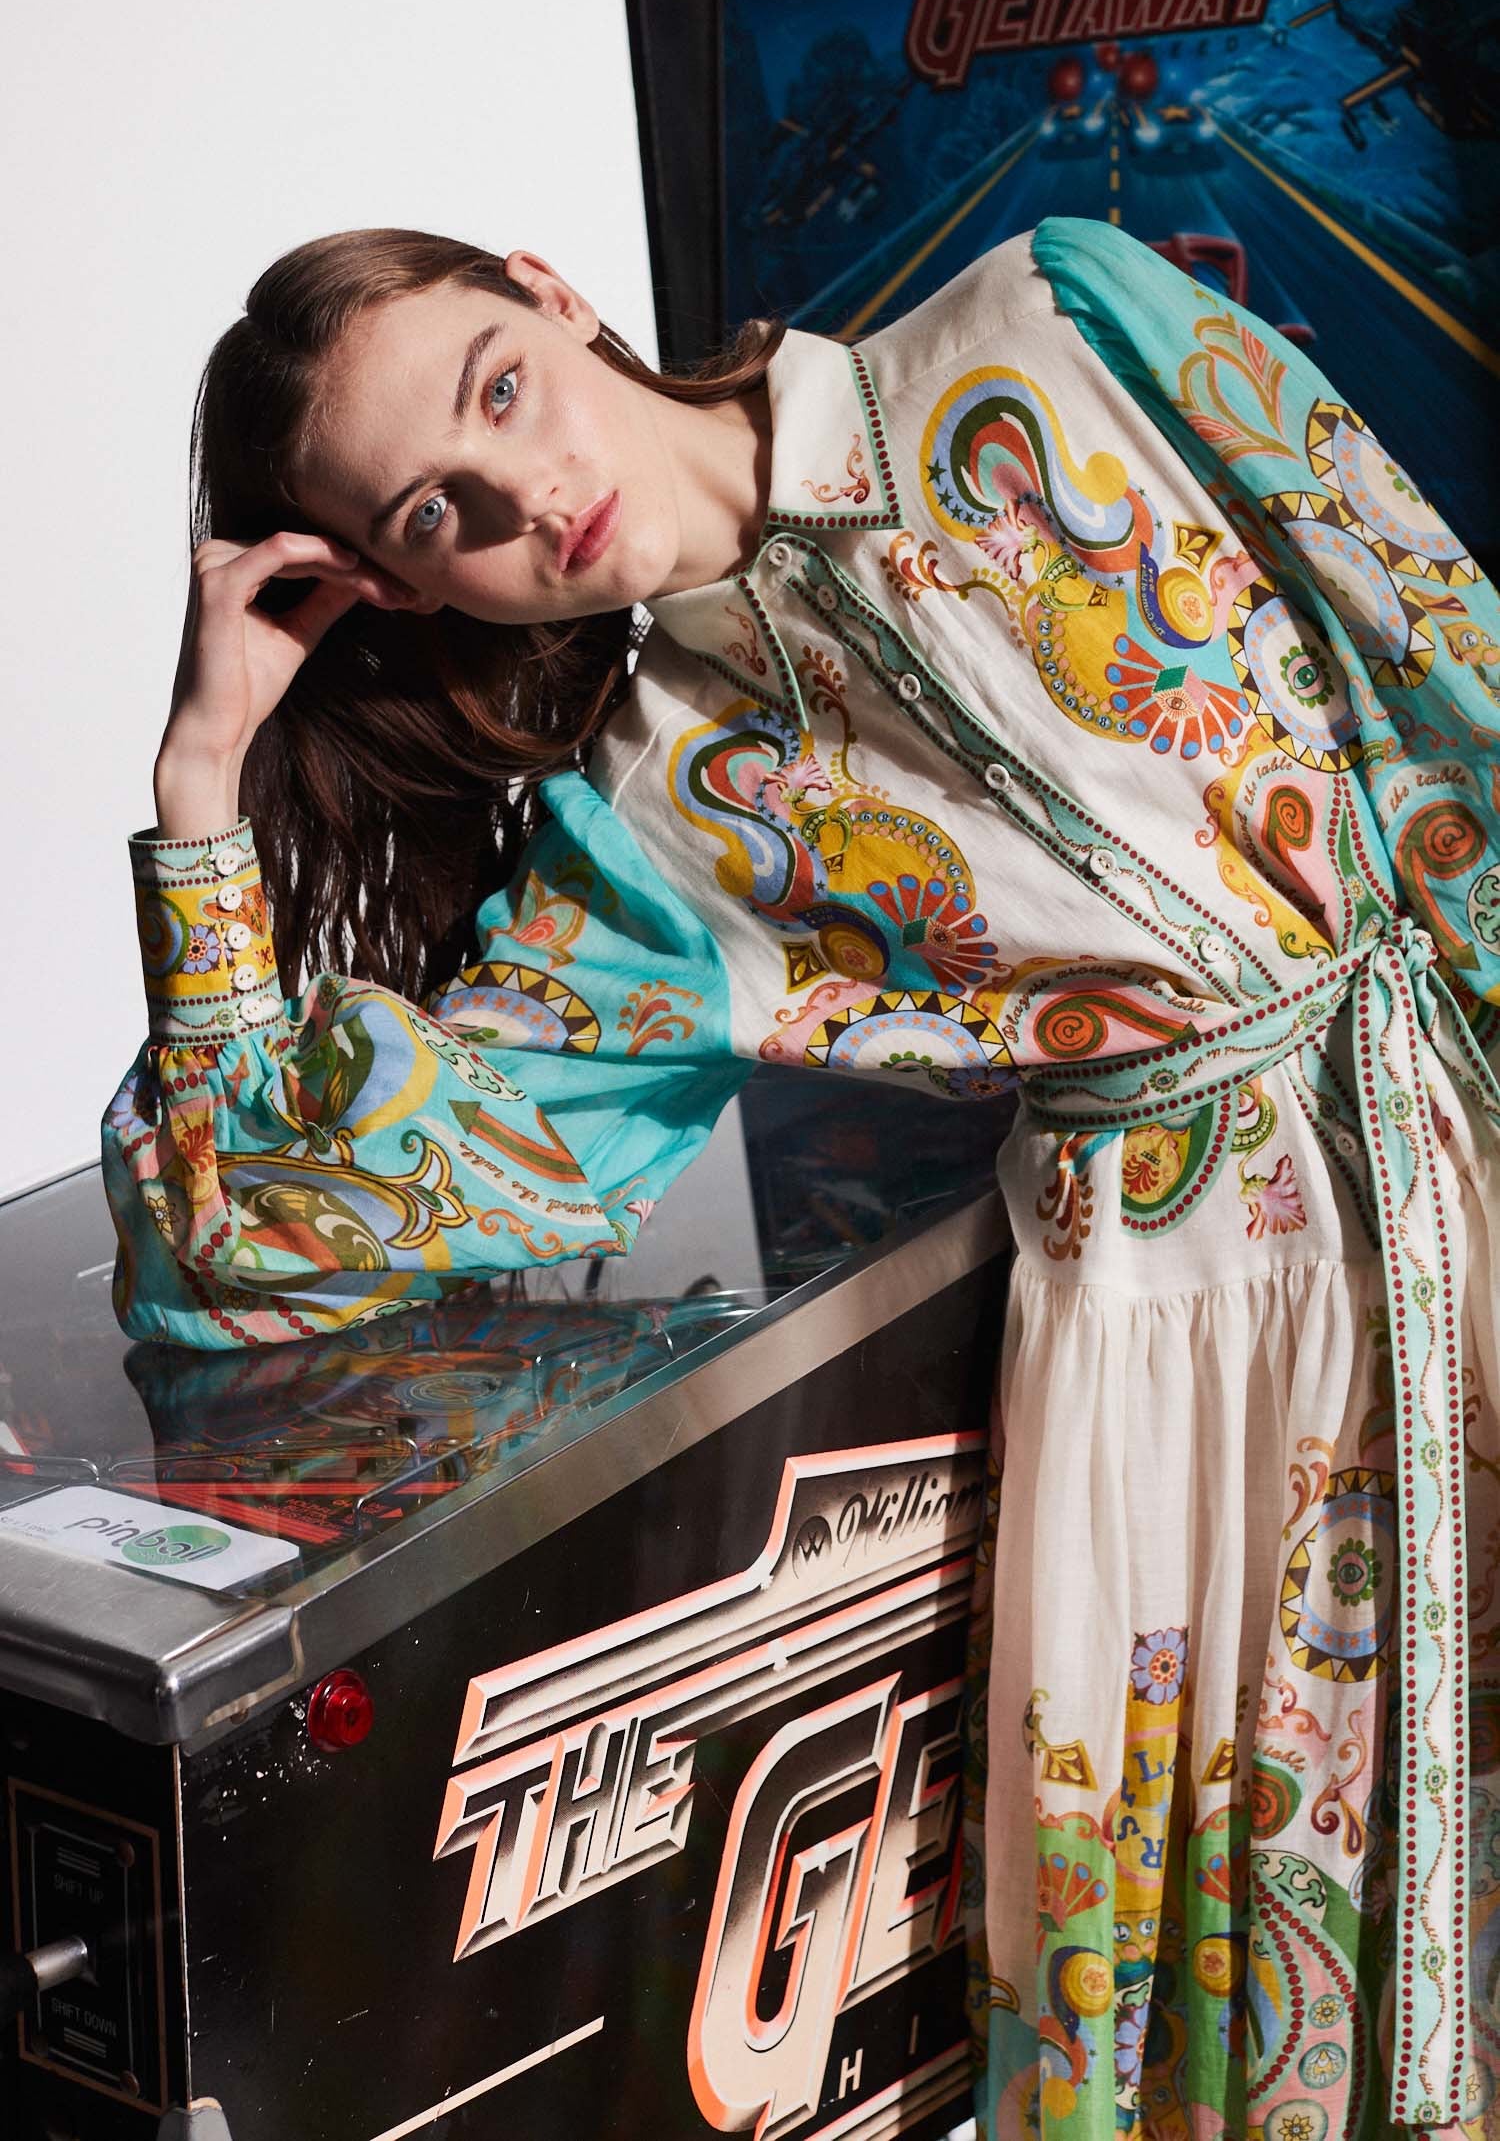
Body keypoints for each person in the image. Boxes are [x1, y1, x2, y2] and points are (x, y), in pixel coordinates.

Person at [102, 214, 1500, 2138]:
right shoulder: (647, 844)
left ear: (551, 292)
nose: (525, 495)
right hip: (1181, 1389)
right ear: (403, 589)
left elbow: (1446, 661)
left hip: (1463, 1150)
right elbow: (252, 1233)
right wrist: (202, 791)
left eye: (501, 390)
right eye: (435, 515)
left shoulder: (1056, 318)